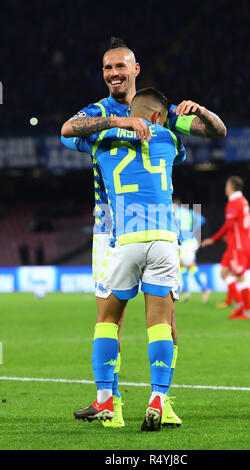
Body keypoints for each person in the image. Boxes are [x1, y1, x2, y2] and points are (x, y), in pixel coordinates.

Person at [61, 36, 227, 425]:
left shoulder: (162, 115)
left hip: (139, 224)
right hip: (110, 223)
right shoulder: (98, 113)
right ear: (103, 74)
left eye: (121, 66)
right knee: (115, 317)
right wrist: (120, 120)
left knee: (165, 320)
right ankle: (110, 400)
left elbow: (214, 129)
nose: (114, 74)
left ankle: (161, 401)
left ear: (136, 70)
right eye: (107, 68)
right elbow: (67, 128)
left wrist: (196, 108)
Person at [68, 87, 186, 431]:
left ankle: (109, 402)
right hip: (165, 240)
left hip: (123, 239)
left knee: (107, 320)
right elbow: (210, 133)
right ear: (155, 117)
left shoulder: (101, 138)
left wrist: (114, 124)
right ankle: (158, 398)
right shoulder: (169, 140)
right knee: (162, 324)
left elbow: (69, 133)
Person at [201, 176, 250, 319]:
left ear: (231, 187)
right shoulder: (242, 200)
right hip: (234, 243)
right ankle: (240, 305)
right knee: (224, 272)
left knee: (239, 275)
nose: (225, 188)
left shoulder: (234, 202)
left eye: (227, 185)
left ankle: (247, 310)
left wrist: (214, 238)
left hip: (237, 244)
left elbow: (229, 225)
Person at [173, 198, 211, 303]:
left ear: (175, 205)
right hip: (188, 241)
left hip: (187, 243)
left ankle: (205, 289)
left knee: (191, 265)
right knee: (181, 265)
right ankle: (186, 292)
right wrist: (194, 229)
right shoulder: (188, 212)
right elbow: (202, 219)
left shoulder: (175, 213)